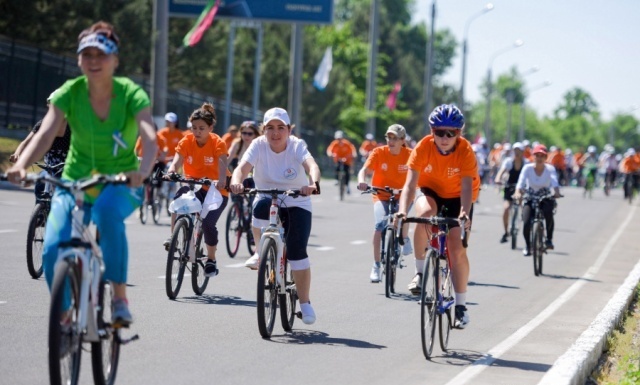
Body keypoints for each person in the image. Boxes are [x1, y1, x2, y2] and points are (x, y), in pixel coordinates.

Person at [6, 21, 157, 327]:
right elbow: (45, 134)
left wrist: (142, 170)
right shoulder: (69, 92)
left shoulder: (130, 93)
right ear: (78, 59)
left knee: (106, 214)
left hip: (120, 182)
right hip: (74, 182)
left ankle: (118, 297)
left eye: (101, 54)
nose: (93, 60)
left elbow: (150, 136)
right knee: (51, 248)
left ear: (115, 60)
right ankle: (63, 317)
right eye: (86, 54)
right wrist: (21, 165)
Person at [229, 107, 321, 325]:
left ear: (288, 130)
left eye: (281, 128)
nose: (275, 133)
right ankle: (260, 251)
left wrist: (313, 183)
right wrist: (236, 181)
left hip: (296, 199)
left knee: (297, 252)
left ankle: (305, 303)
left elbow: (312, 165)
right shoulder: (258, 145)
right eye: (270, 128)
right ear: (263, 130)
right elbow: (242, 168)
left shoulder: (296, 145)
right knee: (260, 207)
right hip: (267, 195)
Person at [397, 104, 480, 329]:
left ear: (458, 134)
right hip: (430, 190)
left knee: (456, 249)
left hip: (458, 197)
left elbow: (466, 189)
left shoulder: (465, 151)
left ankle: (461, 307)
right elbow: (410, 185)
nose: (444, 137)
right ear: (431, 132)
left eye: (450, 133)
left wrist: (464, 213)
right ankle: (420, 272)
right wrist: (403, 211)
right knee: (423, 214)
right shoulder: (423, 147)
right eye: (439, 132)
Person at [164, 103, 229, 277]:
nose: (197, 131)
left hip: (216, 189)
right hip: (193, 184)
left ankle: (211, 259)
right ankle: (173, 238)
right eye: (194, 128)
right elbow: (177, 159)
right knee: (177, 202)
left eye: (201, 128)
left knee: (208, 223)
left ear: (210, 128)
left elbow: (223, 162)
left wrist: (222, 179)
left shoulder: (217, 142)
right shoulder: (186, 141)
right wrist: (171, 171)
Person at [356, 124, 412, 283]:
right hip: (380, 194)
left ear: (402, 140)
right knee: (380, 225)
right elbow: (364, 170)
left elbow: (419, 173)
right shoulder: (378, 152)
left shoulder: (410, 154)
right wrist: (362, 181)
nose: (391, 141)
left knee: (403, 216)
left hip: (403, 194)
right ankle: (376, 264)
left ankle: (405, 237)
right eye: (389, 137)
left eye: (395, 138)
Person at [10, 90, 71, 201]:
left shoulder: (73, 126)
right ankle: (40, 213)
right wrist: (17, 154)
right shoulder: (43, 124)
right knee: (40, 185)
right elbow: (26, 142)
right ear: (49, 106)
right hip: (49, 166)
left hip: (67, 167)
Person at [512, 144, 561, 256]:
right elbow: (521, 182)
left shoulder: (550, 169)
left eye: (542, 156)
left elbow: (554, 182)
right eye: (537, 155)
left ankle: (549, 239)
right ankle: (528, 246)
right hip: (530, 196)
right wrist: (517, 192)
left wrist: (556, 192)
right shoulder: (527, 168)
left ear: (546, 157)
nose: (539, 158)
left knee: (549, 213)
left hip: (545, 196)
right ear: (533, 156)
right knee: (526, 220)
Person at [494, 141, 528, 243]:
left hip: (521, 188)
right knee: (506, 208)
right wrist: (498, 179)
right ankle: (506, 232)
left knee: (523, 206)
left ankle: (522, 220)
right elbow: (501, 171)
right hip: (509, 187)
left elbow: (528, 176)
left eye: (519, 151)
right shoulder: (509, 161)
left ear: (522, 152)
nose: (517, 153)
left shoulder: (526, 163)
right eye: (515, 150)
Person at [326, 130, 357, 194]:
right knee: (337, 167)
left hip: (347, 160)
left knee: (347, 171)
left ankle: (347, 185)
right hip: (338, 159)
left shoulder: (347, 143)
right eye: (338, 138)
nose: (339, 139)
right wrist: (330, 154)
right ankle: (337, 179)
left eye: (340, 138)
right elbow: (329, 150)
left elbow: (352, 149)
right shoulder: (334, 143)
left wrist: (353, 154)